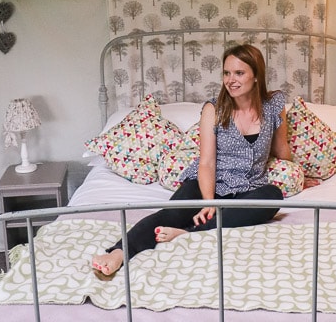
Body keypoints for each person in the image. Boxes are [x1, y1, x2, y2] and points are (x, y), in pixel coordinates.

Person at [92, 43, 291, 276]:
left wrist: (303, 174)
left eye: (239, 73)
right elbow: (206, 162)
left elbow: (281, 147)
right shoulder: (214, 109)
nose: (231, 80)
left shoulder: (274, 105)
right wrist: (209, 204)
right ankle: (118, 253)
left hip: (248, 187)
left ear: (256, 76)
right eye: (226, 73)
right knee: (169, 215)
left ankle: (189, 232)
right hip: (207, 183)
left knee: (273, 196)